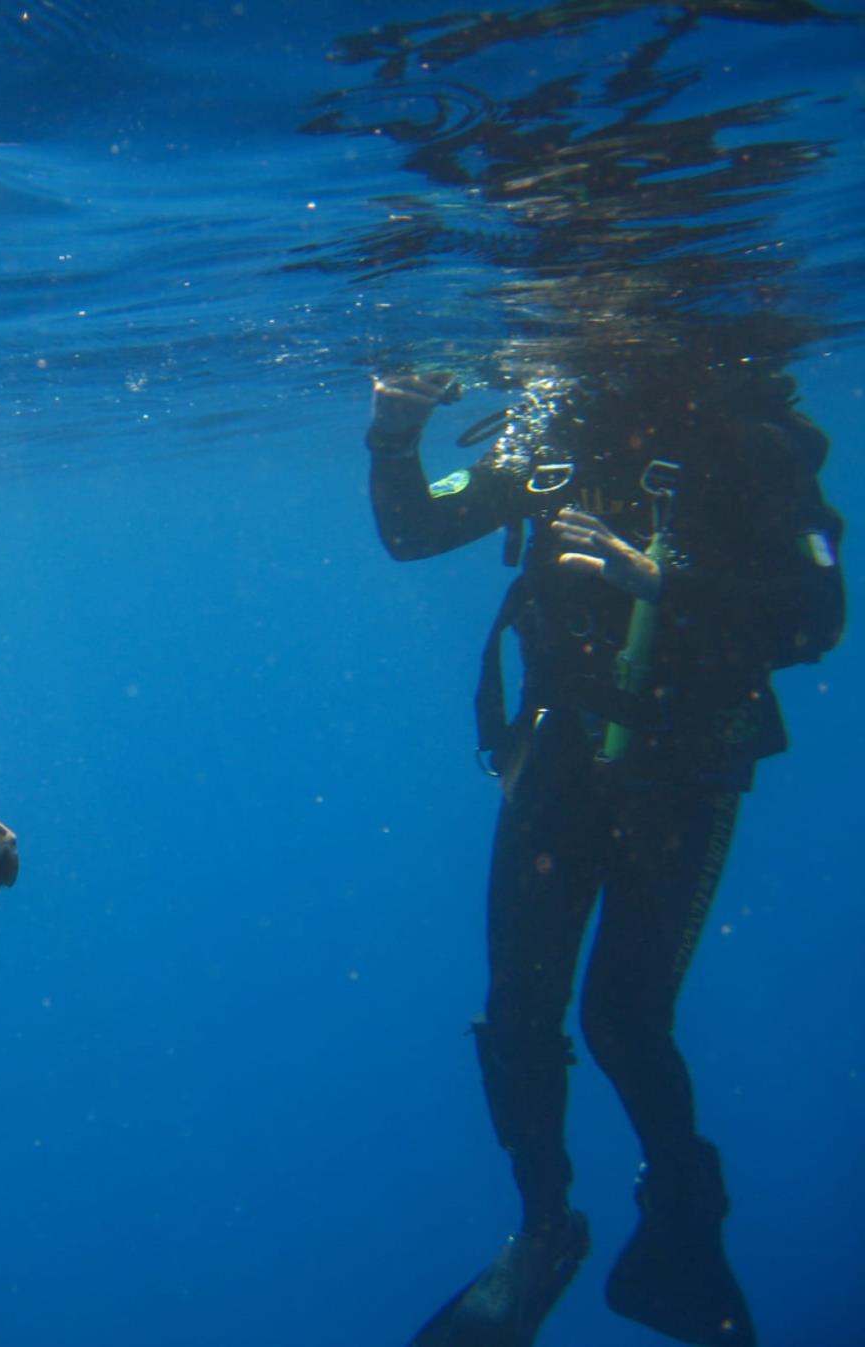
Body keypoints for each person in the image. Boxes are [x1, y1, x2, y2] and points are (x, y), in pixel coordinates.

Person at [365, 364, 844, 1347]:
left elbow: (816, 618)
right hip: (561, 758)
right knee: (517, 1011)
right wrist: (394, 433)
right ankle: (543, 1232)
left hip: (688, 769)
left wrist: (667, 584)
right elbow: (414, 530)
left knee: (625, 1020)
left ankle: (686, 1232)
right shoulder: (552, 438)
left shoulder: (756, 450)